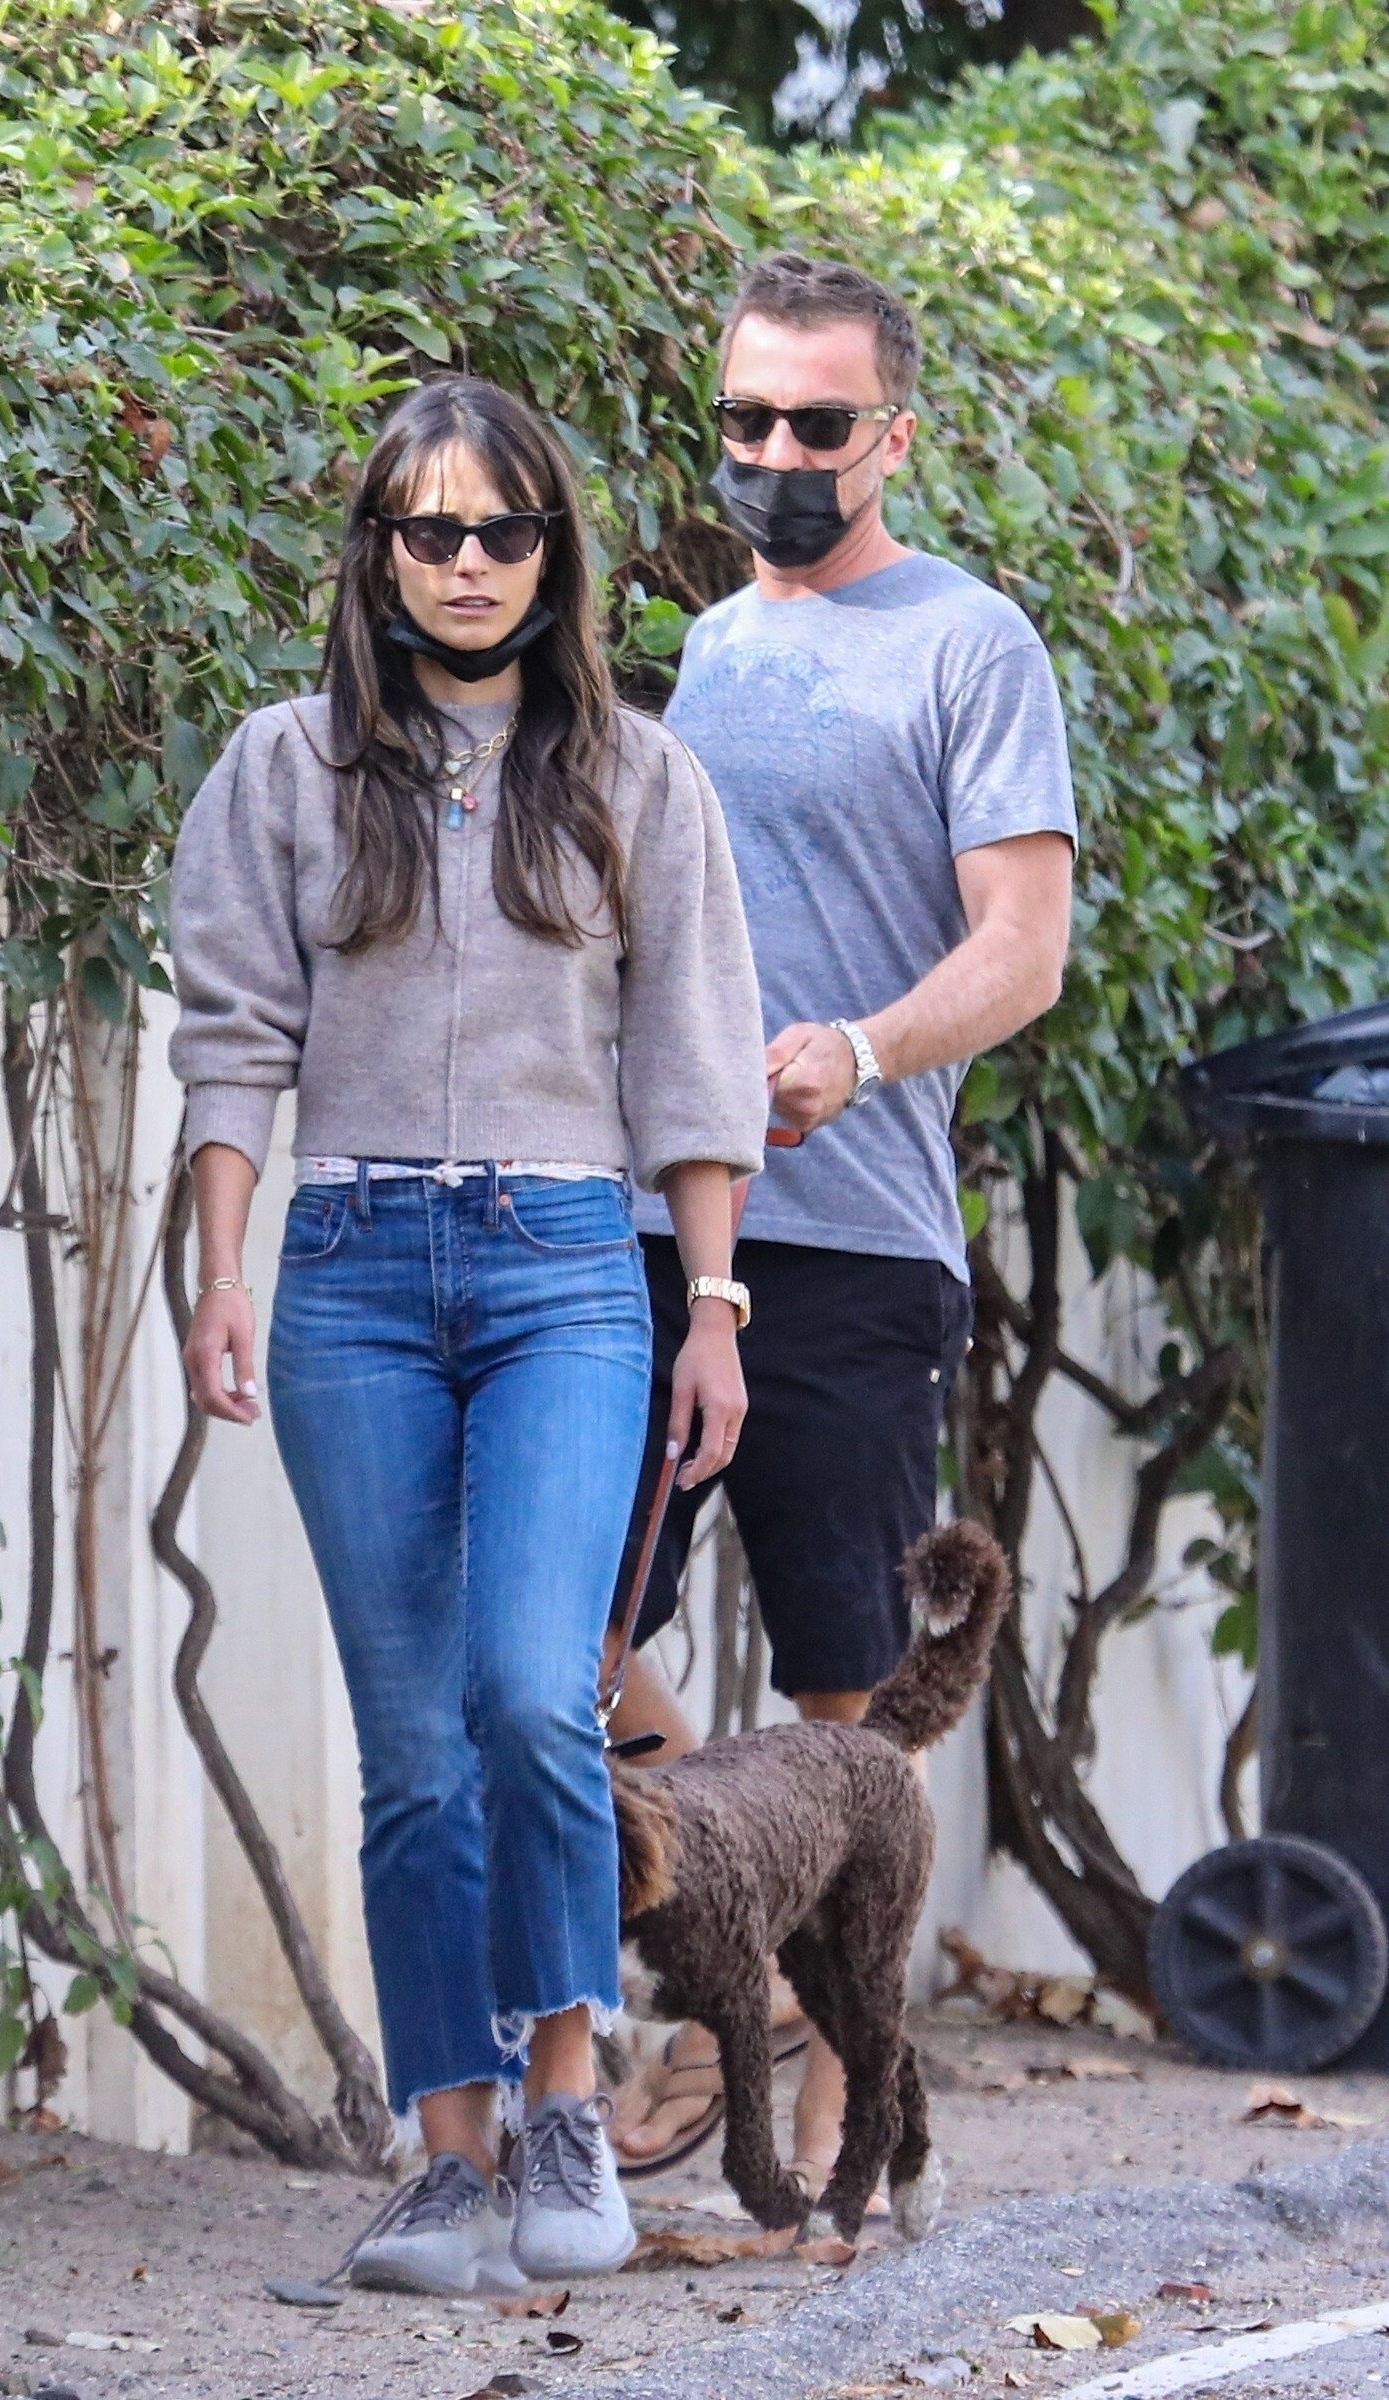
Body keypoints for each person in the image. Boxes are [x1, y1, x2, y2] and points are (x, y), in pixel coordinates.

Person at [168, 377, 765, 2297]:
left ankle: (566, 2105)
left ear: (554, 552)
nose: (471, 563)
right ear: (380, 556)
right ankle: (447, 2154)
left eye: (506, 530)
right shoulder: (282, 768)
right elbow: (233, 1040)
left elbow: (692, 1067)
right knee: (415, 1743)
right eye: (431, 530)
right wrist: (222, 1273)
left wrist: (715, 1306)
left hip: (564, 1270)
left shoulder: (639, 778)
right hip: (346, 1271)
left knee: (530, 1688)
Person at [606, 253, 1077, 2193]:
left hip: (861, 1244)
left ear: (894, 434)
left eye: (817, 423)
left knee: (847, 1695)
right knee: (562, 1636)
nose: (778, 455)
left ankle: (833, 2154)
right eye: (747, 420)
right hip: (658, 1228)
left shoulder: (970, 644)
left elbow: (1025, 950)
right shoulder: (707, 651)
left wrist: (865, 1051)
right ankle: (740, 1915)